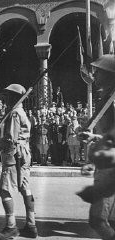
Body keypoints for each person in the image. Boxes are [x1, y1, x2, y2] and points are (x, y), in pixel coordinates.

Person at [0, 84, 38, 239]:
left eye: (8, 95)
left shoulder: (14, 113)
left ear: (15, 97)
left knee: (4, 190)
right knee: (25, 188)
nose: (6, 99)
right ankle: (31, 225)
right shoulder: (21, 111)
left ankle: (11, 227)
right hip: (24, 154)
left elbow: (11, 138)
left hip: (14, 154)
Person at [77, 54, 115, 240]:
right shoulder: (106, 98)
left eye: (99, 73)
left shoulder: (113, 101)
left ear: (110, 75)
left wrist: (95, 136)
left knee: (98, 219)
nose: (95, 76)